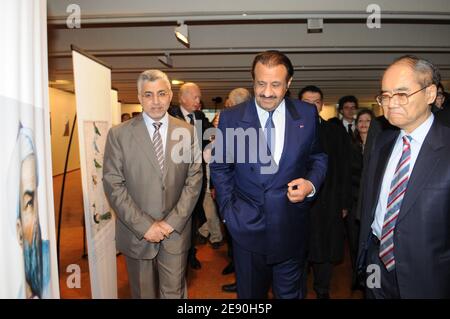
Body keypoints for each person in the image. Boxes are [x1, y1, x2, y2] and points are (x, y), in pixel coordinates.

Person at [210, 50, 327, 299]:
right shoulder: (231, 118)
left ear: (289, 84)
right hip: (246, 229)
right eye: (260, 83)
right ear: (252, 80)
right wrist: (229, 211)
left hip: (291, 227)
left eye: (275, 84)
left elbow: (318, 157)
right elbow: (220, 167)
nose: (266, 92)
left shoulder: (307, 114)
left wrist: (310, 183)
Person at [103, 69, 203, 298]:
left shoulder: (187, 132)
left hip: (175, 232)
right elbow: (113, 184)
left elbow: (194, 178)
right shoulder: (119, 135)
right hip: (137, 234)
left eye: (161, 93)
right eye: (148, 95)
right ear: (139, 97)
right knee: (142, 294)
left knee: (174, 293)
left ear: (170, 95)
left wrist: (170, 223)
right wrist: (145, 226)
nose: (156, 101)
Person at [357, 55, 450, 298]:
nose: (391, 103)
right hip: (376, 264)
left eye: (401, 94)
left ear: (430, 94)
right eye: (385, 95)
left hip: (429, 274)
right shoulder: (382, 142)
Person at [299, 85, 352, 299]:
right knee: (298, 249)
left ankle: (322, 290)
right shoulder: (287, 131)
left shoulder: (334, 131)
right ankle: (297, 291)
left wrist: (344, 203)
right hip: (297, 202)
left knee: (325, 249)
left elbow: (344, 168)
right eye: (306, 102)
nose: (311, 106)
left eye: (316, 102)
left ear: (321, 105)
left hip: (329, 201)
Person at [168, 82, 213, 270]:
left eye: (199, 97)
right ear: (183, 98)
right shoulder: (169, 116)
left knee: (194, 215)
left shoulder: (201, 116)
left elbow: (211, 135)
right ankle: (175, 255)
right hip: (175, 176)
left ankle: (191, 253)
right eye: (195, 97)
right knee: (176, 215)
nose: (198, 101)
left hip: (197, 175)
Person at [219, 88, 252, 294]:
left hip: (242, 199)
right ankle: (241, 279)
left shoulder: (242, 125)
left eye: (229, 102)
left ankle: (244, 283)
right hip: (233, 198)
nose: (226, 105)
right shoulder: (230, 122)